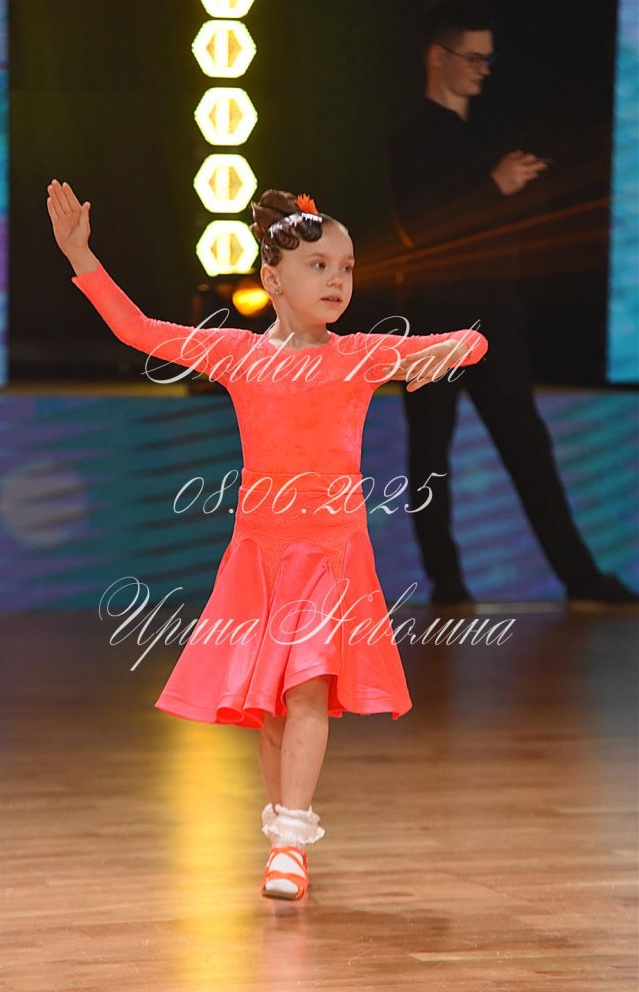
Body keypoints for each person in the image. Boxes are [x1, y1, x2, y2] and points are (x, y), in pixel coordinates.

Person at [46, 178, 488, 900]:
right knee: (273, 708)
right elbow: (139, 331)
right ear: (272, 279)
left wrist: (447, 354)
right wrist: (80, 257)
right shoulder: (240, 355)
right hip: (260, 554)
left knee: (308, 688)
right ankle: (284, 834)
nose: (337, 280)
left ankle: (290, 843)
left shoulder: (360, 354)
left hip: (331, 555)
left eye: (346, 267)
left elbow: (473, 340)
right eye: (319, 266)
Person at [387, 0, 638, 608]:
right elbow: (421, 226)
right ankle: (447, 581)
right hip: (434, 320)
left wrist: (509, 191)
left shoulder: (495, 131)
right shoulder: (413, 140)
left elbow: (528, 207)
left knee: (529, 447)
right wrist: (492, 187)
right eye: (473, 58)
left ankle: (580, 577)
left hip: (496, 315)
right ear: (438, 57)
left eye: (488, 59)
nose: (483, 69)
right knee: (431, 452)